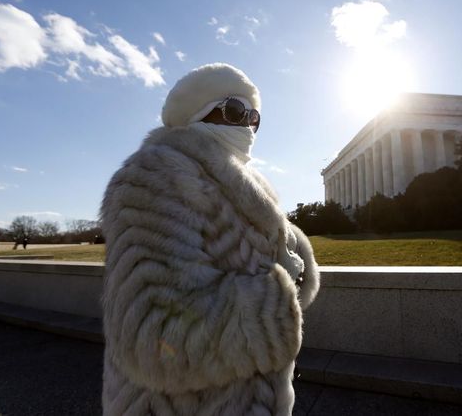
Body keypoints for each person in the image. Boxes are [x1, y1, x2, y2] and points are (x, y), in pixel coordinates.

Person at [100, 63, 320, 415]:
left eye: (255, 117)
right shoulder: (155, 174)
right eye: (235, 110)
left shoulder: (250, 185)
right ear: (196, 114)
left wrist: (295, 263)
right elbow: (152, 333)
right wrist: (274, 296)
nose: (248, 125)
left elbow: (278, 258)